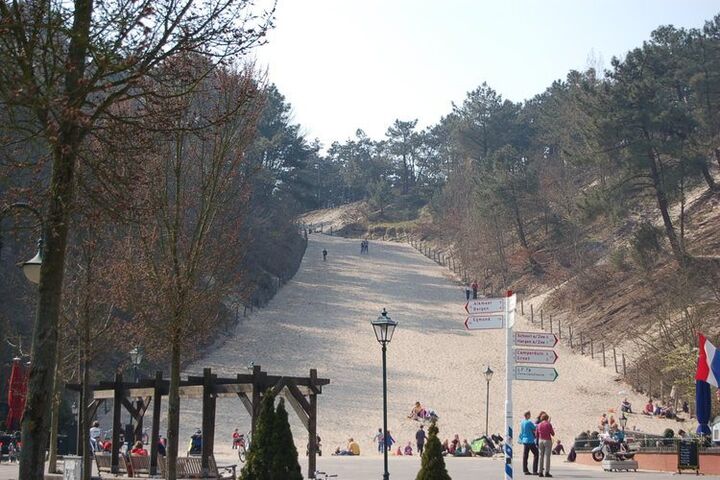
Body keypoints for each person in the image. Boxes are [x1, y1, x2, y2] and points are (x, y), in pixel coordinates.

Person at [520, 411, 538, 475]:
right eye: (529, 415)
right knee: (536, 454)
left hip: (524, 440)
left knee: (525, 456)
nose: (530, 416)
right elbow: (535, 428)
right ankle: (535, 471)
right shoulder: (529, 422)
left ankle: (525, 470)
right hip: (530, 440)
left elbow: (521, 431)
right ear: (527, 415)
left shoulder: (522, 422)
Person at [536, 413, 555, 478]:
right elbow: (552, 433)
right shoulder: (548, 424)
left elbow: (536, 434)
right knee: (547, 457)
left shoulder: (539, 424)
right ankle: (547, 472)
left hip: (540, 440)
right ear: (547, 418)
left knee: (541, 456)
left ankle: (540, 472)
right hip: (547, 440)